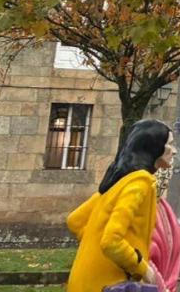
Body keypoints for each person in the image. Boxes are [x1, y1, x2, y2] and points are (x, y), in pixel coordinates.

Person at [67, 120, 171, 292]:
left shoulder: (117, 182)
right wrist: (143, 269)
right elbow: (111, 241)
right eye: (169, 144)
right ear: (154, 147)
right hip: (110, 284)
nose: (173, 151)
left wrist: (99, 252)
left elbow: (75, 221)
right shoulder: (140, 184)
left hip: (83, 280)